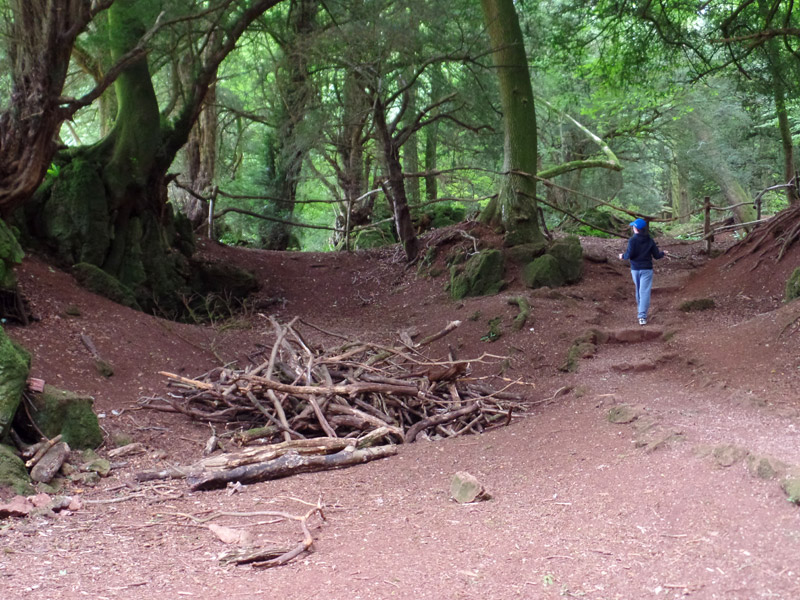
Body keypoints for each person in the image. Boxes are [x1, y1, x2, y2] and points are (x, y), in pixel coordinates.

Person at [618, 218, 667, 325]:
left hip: (635, 269)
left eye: (633, 226)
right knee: (643, 292)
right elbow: (656, 256)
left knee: (640, 291)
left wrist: (622, 256)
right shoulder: (650, 240)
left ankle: (641, 314)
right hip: (646, 269)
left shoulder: (632, 240)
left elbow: (629, 254)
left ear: (636, 229)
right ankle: (642, 315)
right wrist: (663, 253)